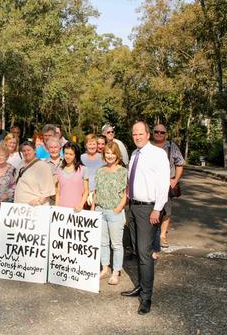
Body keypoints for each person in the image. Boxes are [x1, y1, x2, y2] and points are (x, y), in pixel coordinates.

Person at [121, 121, 170, 315]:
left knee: (145, 253)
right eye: (134, 134)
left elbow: (163, 184)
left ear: (148, 134)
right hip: (133, 207)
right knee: (135, 248)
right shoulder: (134, 154)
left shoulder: (158, 154)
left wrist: (157, 210)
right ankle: (140, 287)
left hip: (148, 210)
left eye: (140, 133)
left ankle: (147, 297)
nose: (137, 137)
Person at [93, 142, 128, 285]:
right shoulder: (100, 170)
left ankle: (116, 271)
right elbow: (96, 192)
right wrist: (93, 209)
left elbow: (126, 193)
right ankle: (105, 268)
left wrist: (119, 208)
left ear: (117, 155)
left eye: (112, 153)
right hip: (100, 210)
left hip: (115, 212)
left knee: (116, 244)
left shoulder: (122, 171)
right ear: (104, 154)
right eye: (107, 153)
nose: (110, 156)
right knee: (103, 243)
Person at [152, 123, 185, 249]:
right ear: (152, 133)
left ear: (166, 134)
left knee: (166, 210)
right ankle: (150, 235)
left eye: (162, 132)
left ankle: (162, 235)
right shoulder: (148, 146)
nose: (159, 134)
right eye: (156, 132)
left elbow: (180, 163)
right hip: (150, 184)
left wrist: (175, 180)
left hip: (166, 184)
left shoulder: (172, 146)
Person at [13, 140, 55, 205]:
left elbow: (48, 191)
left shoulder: (43, 166)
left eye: (28, 150)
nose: (26, 152)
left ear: (34, 150)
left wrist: (39, 202)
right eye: (24, 151)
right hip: (20, 207)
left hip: (34, 207)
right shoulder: (21, 164)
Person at [55, 142, 89, 212]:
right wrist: (56, 206)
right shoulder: (59, 169)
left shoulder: (83, 169)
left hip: (77, 210)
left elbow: (86, 191)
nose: (67, 156)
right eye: (66, 153)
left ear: (76, 155)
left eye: (71, 154)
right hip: (61, 210)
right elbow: (58, 191)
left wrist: (81, 205)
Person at [81, 134, 105, 209]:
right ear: (85, 145)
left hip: (98, 194)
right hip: (83, 193)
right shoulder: (81, 158)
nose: (92, 146)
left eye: (94, 144)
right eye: (90, 144)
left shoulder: (103, 158)